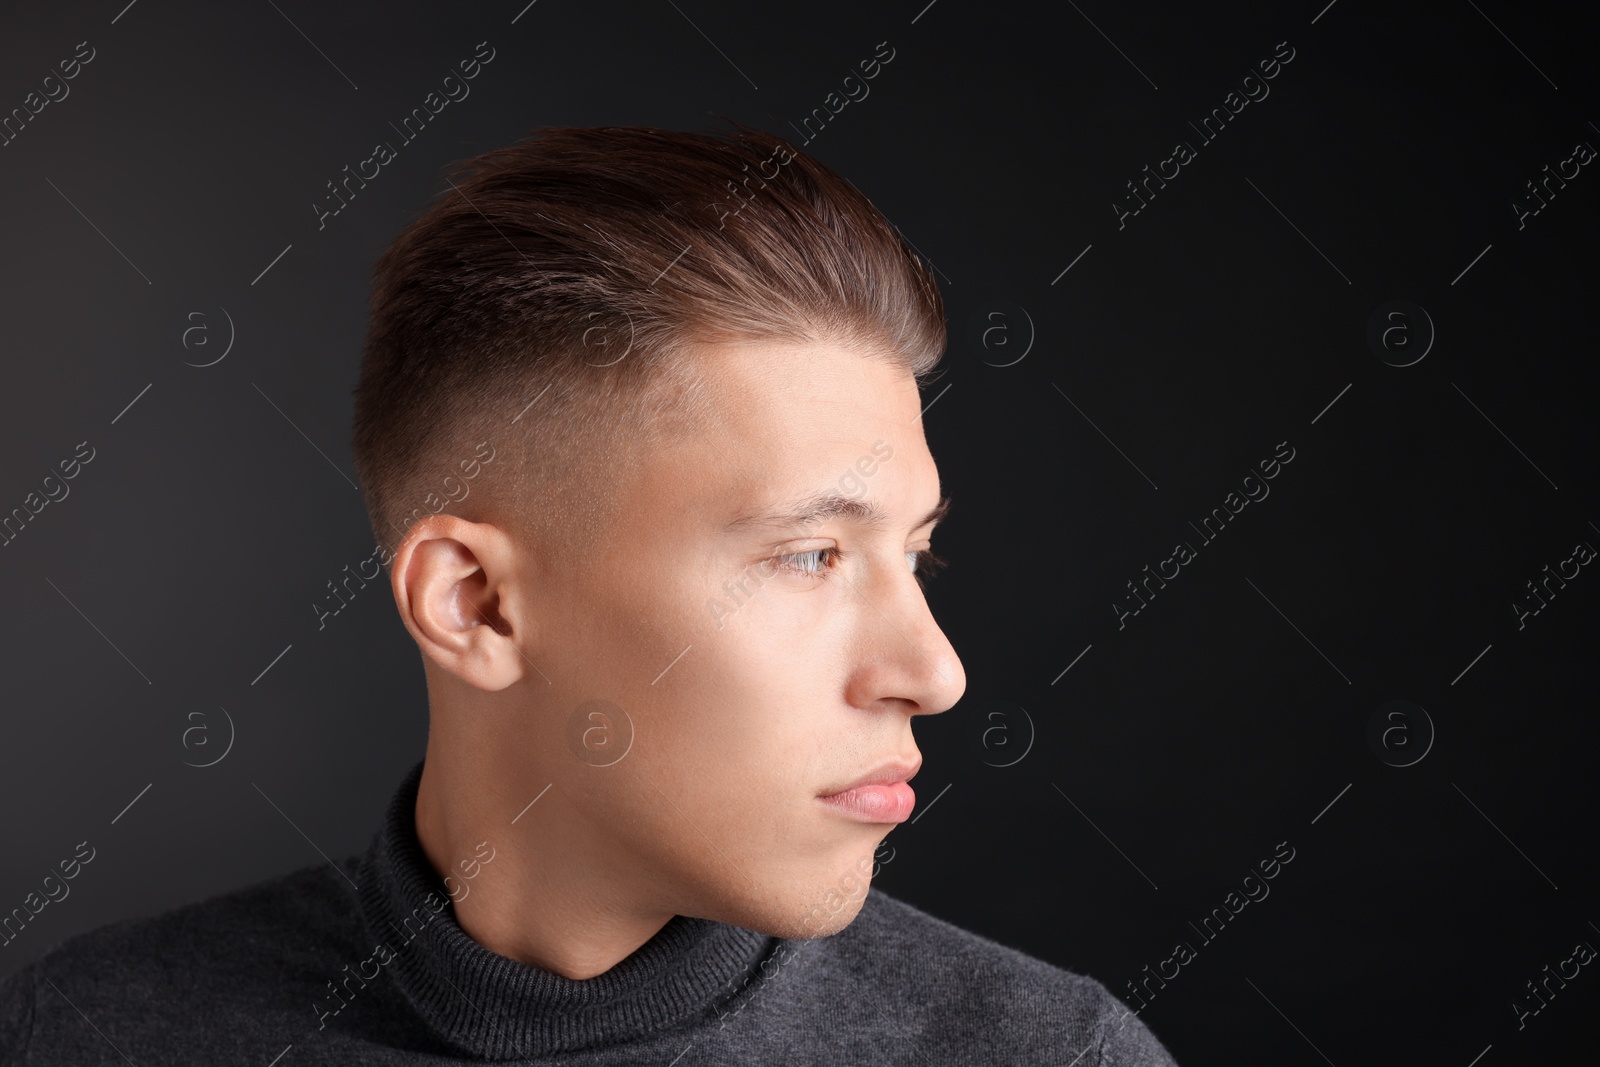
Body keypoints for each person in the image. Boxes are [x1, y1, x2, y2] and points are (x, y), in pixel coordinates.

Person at [0, 124, 1178, 1064]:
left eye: (913, 553)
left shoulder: (1047, 1052)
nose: (934, 670)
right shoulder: (89, 1031)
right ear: (476, 606)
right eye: (809, 553)